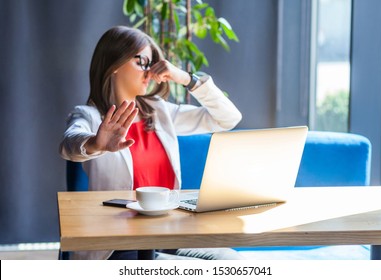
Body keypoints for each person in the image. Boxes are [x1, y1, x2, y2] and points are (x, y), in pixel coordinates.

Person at [59, 26, 243, 260]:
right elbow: (69, 146)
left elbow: (228, 118)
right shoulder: (90, 116)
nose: (148, 72)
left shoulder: (159, 112)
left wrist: (185, 78)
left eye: (151, 64)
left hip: (167, 236)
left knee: (232, 262)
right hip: (119, 246)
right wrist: (96, 143)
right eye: (142, 62)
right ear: (114, 64)